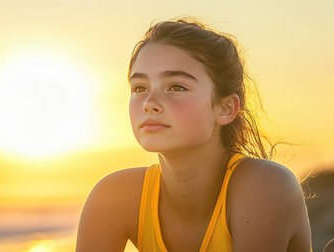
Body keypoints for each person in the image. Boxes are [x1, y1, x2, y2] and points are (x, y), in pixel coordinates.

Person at [76, 17, 313, 252]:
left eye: (176, 87)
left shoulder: (265, 186)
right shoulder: (113, 197)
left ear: (226, 108)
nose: (149, 103)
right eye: (140, 88)